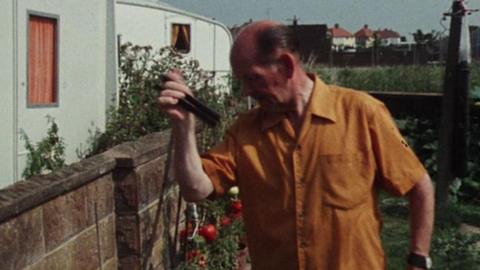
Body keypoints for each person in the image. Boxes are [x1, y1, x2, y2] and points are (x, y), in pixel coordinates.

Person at [158, 20, 435, 270]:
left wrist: (418, 259)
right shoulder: (246, 131)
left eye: (253, 78)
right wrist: (184, 127)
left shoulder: (362, 113)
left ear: (287, 65)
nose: (246, 91)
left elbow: (419, 185)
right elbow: (196, 188)